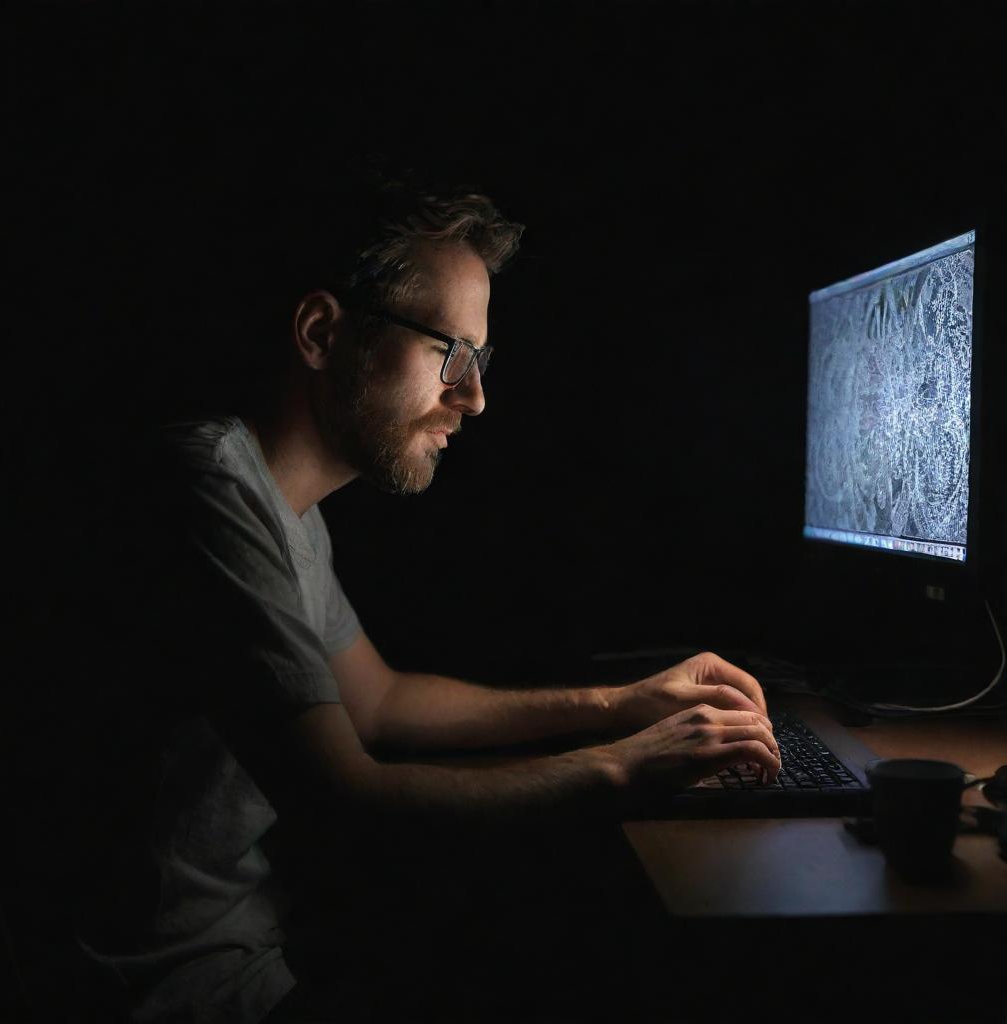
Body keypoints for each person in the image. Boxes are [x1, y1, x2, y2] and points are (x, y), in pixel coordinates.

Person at [73, 173, 781, 1024]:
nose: (474, 397)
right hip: (171, 994)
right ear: (322, 332)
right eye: (450, 354)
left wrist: (619, 704)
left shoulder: (286, 507)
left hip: (251, 959)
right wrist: (621, 765)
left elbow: (381, 703)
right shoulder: (207, 488)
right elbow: (349, 799)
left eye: (481, 360)